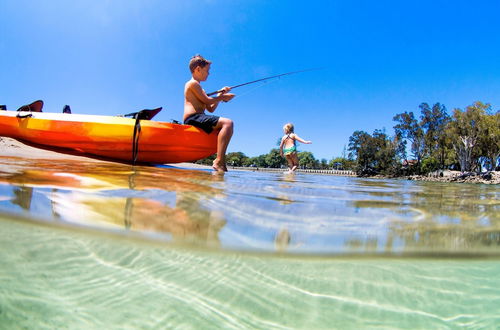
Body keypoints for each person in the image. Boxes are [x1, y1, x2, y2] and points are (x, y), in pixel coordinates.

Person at [184, 54, 235, 172]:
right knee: (228, 123)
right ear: (198, 69)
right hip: (193, 117)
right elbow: (207, 100)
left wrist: (220, 95)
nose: (209, 73)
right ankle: (219, 161)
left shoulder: (201, 89)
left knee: (227, 124)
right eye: (207, 70)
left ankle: (220, 160)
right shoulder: (192, 84)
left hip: (201, 116)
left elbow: (211, 108)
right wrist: (223, 98)